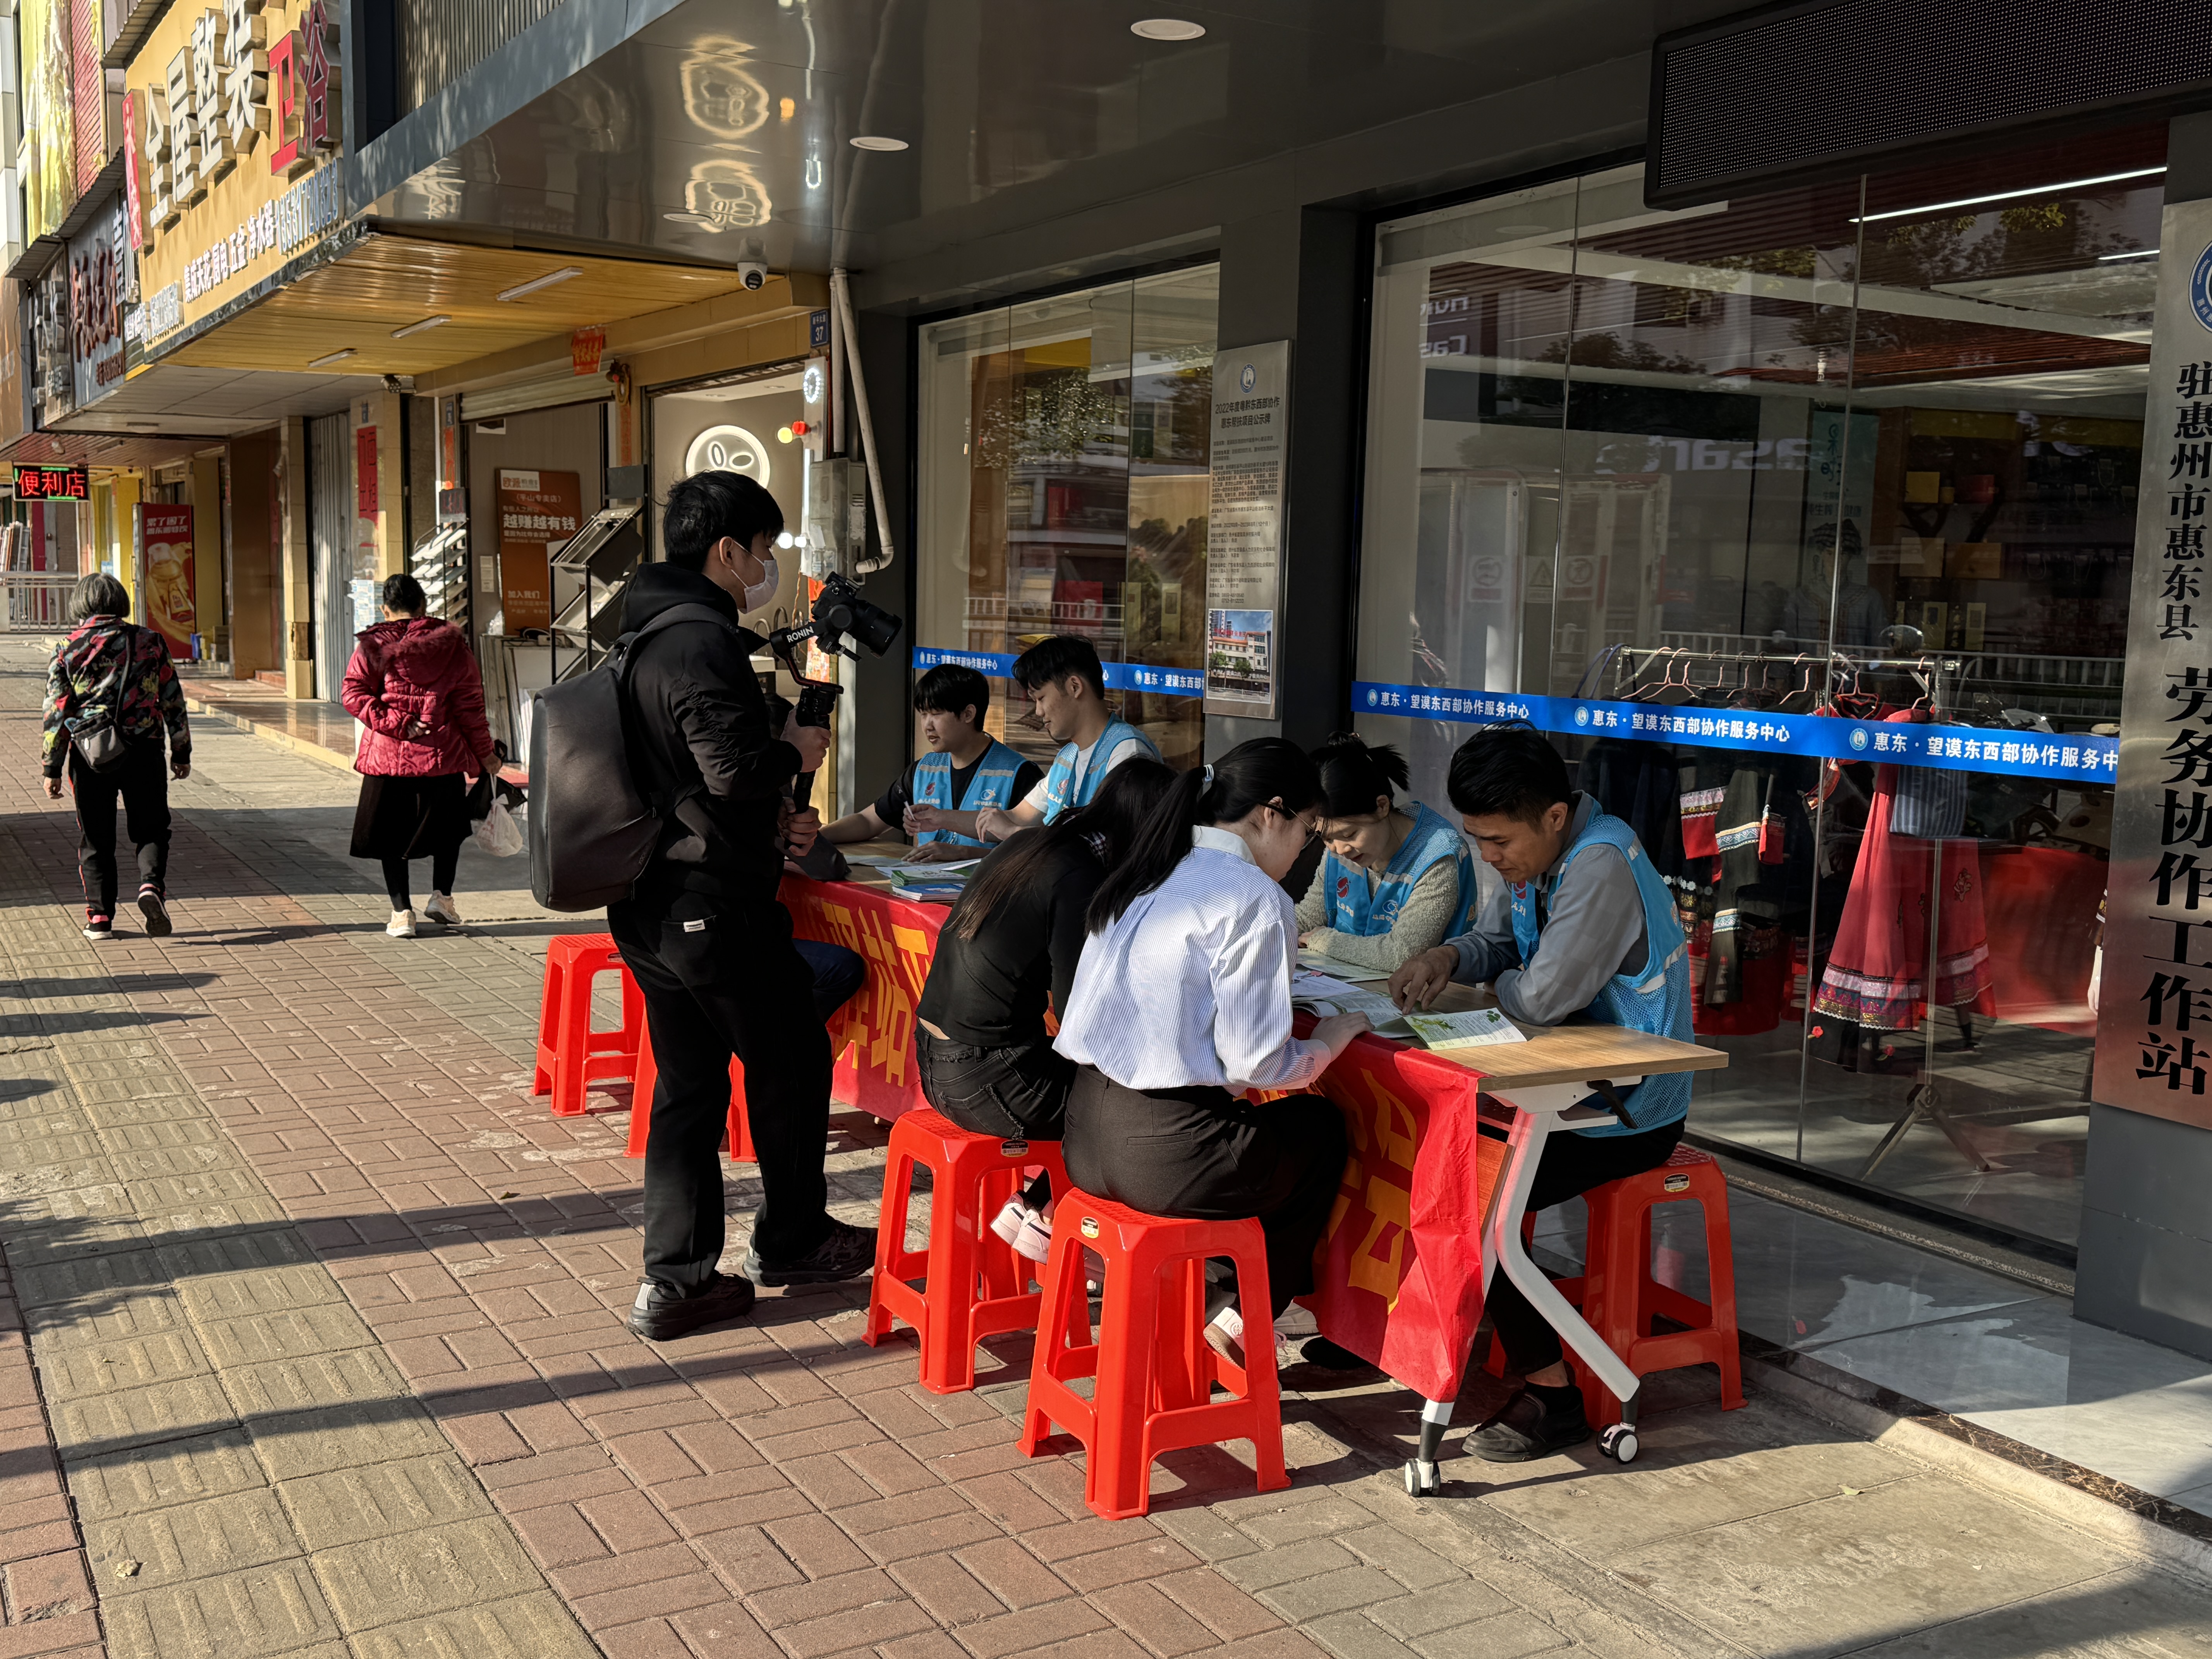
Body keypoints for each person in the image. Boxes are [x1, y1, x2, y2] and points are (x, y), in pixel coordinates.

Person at [611, 468, 874, 1343]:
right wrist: (793, 749)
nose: (766, 566)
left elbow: (689, 771)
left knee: (689, 1090)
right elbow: (732, 772)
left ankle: (677, 1279)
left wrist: (773, 803)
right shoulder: (699, 640)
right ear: (726, 550)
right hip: (711, 904)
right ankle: (793, 1237)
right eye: (762, 550)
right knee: (792, 1059)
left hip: (653, 900)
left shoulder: (643, 632)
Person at [1388, 725, 1693, 1462]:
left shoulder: (1600, 864)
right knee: (1417, 1165)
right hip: (1561, 1091)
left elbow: (1543, 997)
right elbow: (1501, 942)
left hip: (1627, 1110)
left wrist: (1499, 982)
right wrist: (1449, 954)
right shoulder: (1536, 852)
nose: (1489, 858)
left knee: (1469, 1200)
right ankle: (1402, 1335)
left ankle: (1555, 1396)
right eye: (1478, 840)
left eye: (1498, 842)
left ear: (1555, 816)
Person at [1054, 739, 1369, 1364]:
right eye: (1308, 831)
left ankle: (1222, 1299)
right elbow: (1257, 1063)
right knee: (1318, 1127)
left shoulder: (1147, 869)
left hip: (1084, 1136)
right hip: (1167, 1156)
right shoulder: (1254, 897)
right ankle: (1244, 1307)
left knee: (1255, 1134)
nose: (1304, 851)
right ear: (1271, 814)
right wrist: (1326, 1044)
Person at [916, 758, 1176, 1259]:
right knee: (1126, 1109)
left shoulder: (1033, 844)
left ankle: (1034, 1206)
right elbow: (1081, 1014)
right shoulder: (1078, 876)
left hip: (936, 1064)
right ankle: (1058, 1223)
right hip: (989, 1079)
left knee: (1099, 1091)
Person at [341, 574, 498, 939]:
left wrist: (396, 722)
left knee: (390, 837)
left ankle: (402, 914)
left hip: (387, 761)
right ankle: (442, 899)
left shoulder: (372, 645)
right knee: (448, 832)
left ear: (385, 609)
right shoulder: (452, 646)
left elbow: (353, 694)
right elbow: (470, 707)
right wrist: (485, 754)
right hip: (441, 758)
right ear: (424, 607)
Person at [40, 572, 191, 941]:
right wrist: (181, 750)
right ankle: (151, 887)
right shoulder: (150, 641)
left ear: (82, 604)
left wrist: (52, 767)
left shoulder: (68, 648)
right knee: (152, 827)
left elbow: (56, 712)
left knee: (96, 836)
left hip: (91, 755)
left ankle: (100, 918)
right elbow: (172, 698)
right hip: (145, 749)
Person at [1297, 732, 1479, 974]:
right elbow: (1308, 919)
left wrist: (1323, 940)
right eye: (1327, 838)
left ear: (1382, 806)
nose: (1339, 849)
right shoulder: (1338, 850)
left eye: (1350, 834)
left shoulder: (1438, 856)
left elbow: (1400, 955)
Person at [821, 663, 1041, 860]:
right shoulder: (924, 769)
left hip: (989, 890)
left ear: (968, 714)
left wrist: (965, 853)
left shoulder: (1019, 773)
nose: (927, 725)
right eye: (923, 714)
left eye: (936, 714)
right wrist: (816, 838)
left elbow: (1037, 852)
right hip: (923, 888)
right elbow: (868, 821)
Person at [952, 635, 1160, 842]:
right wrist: (939, 818)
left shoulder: (1128, 753)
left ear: (1074, 687)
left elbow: (1111, 844)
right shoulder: (1068, 757)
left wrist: (1014, 833)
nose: (1038, 712)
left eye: (1041, 698)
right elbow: (1017, 817)